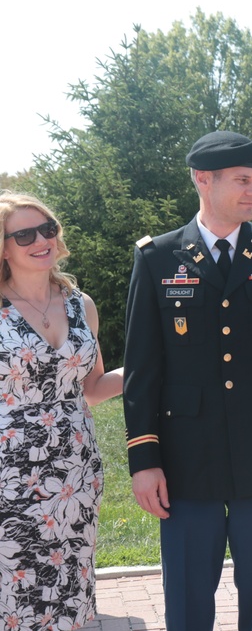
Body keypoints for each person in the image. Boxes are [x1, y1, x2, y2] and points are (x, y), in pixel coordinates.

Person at [123, 131, 252, 631]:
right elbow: (143, 371)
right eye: (241, 181)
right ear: (202, 180)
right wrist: (144, 460)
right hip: (187, 459)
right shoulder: (158, 259)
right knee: (187, 599)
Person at [0, 191, 123, 629]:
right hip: (8, 474)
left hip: (74, 472)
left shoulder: (81, 304)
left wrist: (150, 369)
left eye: (48, 228)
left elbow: (91, 387)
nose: (41, 239)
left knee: (68, 585)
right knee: (12, 590)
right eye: (25, 234)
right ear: (4, 247)